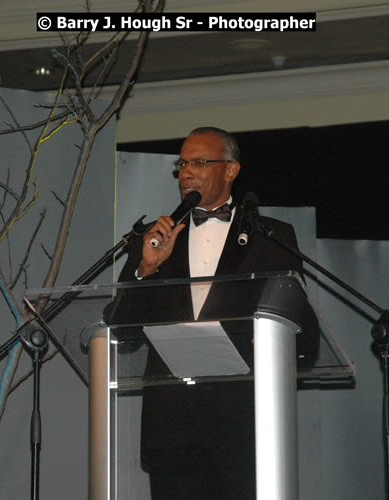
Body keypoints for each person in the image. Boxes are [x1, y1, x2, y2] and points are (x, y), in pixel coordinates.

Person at [110, 127, 318, 499]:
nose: (186, 172)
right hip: (172, 434)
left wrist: (270, 338)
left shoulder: (269, 237)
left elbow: (305, 337)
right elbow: (121, 332)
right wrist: (146, 269)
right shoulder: (154, 240)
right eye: (182, 164)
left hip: (242, 429)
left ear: (231, 171)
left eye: (199, 162)